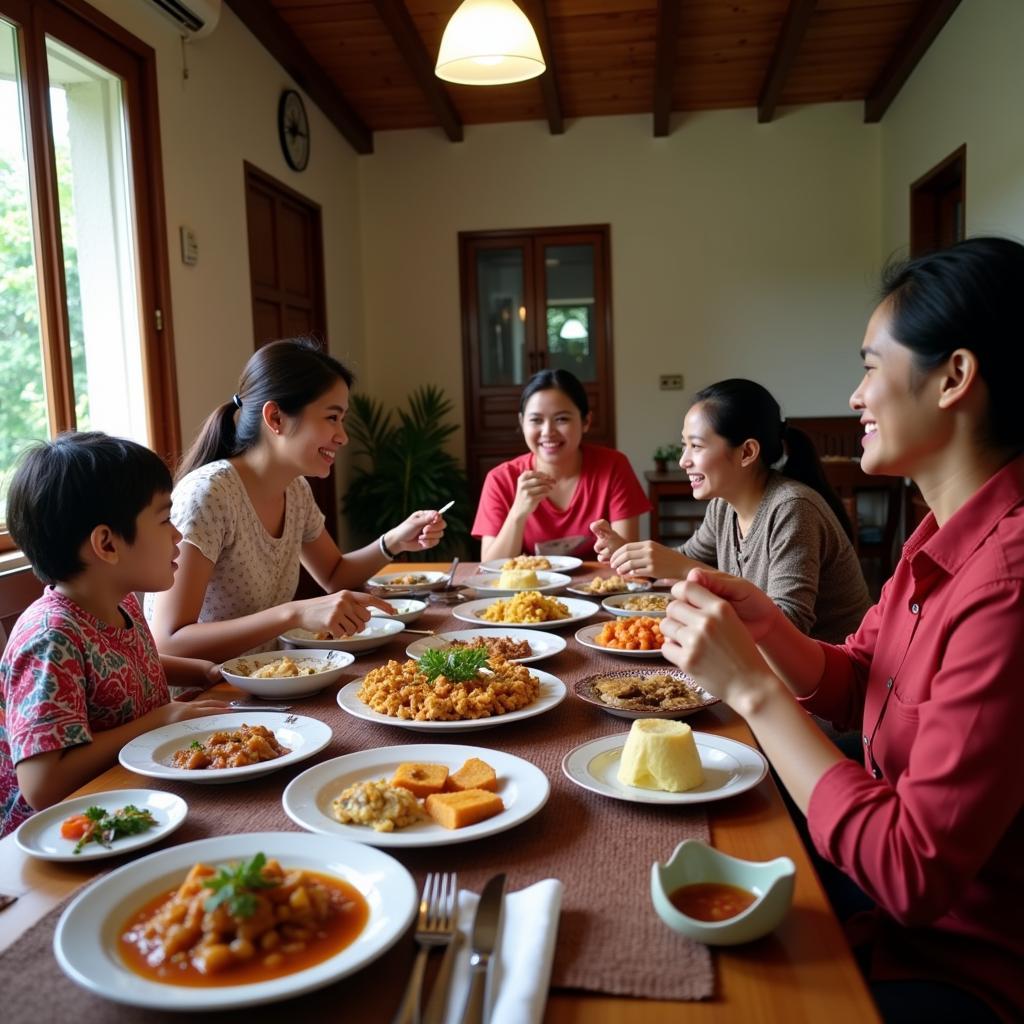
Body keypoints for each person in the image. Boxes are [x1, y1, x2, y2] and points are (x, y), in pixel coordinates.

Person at [660, 238, 1024, 1022]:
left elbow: (913, 872)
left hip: (964, 962)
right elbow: (863, 674)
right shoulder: (939, 537)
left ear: (955, 376)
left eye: (869, 366)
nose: (855, 397)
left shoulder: (1008, 585)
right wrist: (767, 628)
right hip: (888, 907)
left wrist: (756, 689)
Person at [148, 338, 447, 662]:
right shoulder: (208, 496)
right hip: (206, 700)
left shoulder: (296, 490)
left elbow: (334, 574)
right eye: (332, 418)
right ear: (276, 418)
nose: (343, 436)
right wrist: (293, 614)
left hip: (268, 681)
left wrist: (394, 541)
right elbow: (168, 641)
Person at [0, 433, 227, 838]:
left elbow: (123, 665)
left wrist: (204, 672)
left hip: (133, 796)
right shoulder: (51, 637)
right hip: (66, 834)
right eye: (164, 520)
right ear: (106, 543)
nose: (178, 535)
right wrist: (160, 720)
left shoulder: (120, 603)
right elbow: (42, 785)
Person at [592, 379, 870, 643]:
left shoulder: (793, 509)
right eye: (683, 445)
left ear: (747, 452)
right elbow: (686, 559)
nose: (683, 461)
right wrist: (627, 551)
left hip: (834, 673)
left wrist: (682, 568)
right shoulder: (724, 506)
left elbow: (789, 626)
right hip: (764, 664)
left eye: (696, 446)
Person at [472, 369, 650, 561]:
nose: (548, 431)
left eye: (562, 419)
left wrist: (615, 547)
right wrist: (518, 513)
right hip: (527, 591)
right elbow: (490, 566)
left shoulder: (614, 467)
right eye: (536, 420)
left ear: (586, 421)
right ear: (522, 422)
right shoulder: (501, 479)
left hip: (598, 589)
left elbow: (628, 559)